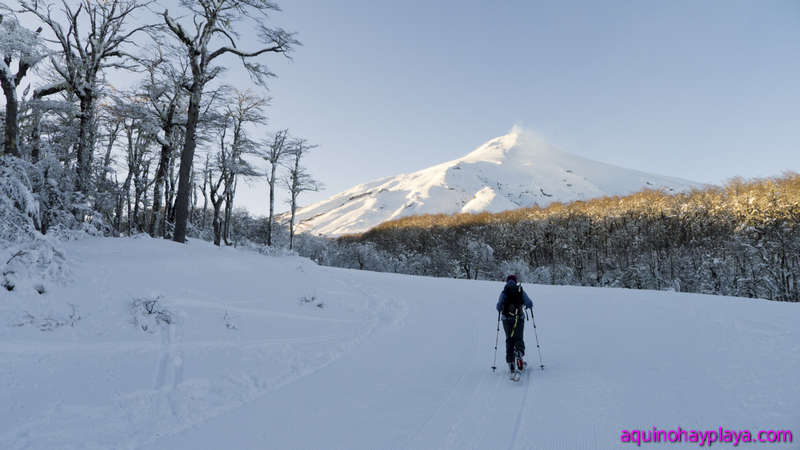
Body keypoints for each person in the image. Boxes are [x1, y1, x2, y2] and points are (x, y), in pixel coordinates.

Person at [496, 274, 534, 376]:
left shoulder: (504, 292)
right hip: (519, 318)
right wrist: (527, 306)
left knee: (509, 339)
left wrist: (502, 309)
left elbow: (498, 306)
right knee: (518, 338)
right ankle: (519, 354)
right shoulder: (520, 290)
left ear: (507, 282)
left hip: (506, 320)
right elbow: (529, 302)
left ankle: (511, 362)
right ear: (516, 281)